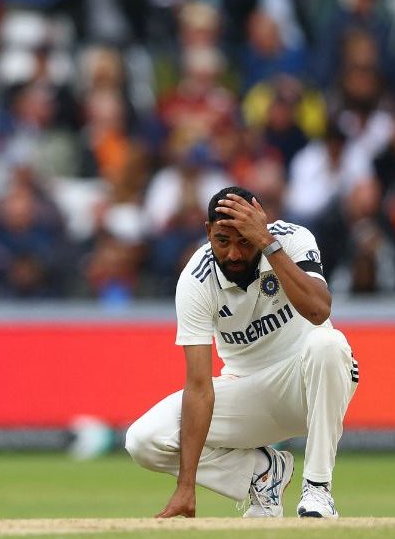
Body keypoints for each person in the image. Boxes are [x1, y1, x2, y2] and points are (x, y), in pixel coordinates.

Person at [125, 186, 358, 519]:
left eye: (243, 241)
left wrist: (266, 243)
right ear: (208, 232)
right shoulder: (196, 278)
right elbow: (199, 386)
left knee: (329, 344)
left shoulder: (291, 239)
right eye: (222, 241)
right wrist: (186, 487)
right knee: (143, 440)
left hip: (309, 383)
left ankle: (317, 490)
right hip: (248, 393)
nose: (233, 254)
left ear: (261, 225)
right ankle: (263, 472)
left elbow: (319, 311)